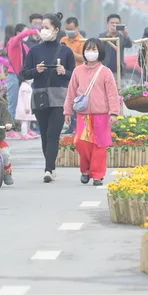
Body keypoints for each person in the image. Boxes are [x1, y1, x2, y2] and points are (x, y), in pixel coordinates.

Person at [22, 13, 76, 183]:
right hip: (40, 96)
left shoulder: (66, 51)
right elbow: (24, 73)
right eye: (42, 27)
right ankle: (50, 165)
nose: (43, 30)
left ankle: (49, 169)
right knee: (44, 134)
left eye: (47, 27)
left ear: (56, 29)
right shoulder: (34, 50)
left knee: (53, 133)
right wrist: (35, 70)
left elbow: (74, 74)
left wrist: (64, 72)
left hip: (59, 97)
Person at [64, 38, 120, 187]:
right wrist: (67, 111)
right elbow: (71, 92)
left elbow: (112, 94)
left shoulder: (105, 72)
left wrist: (114, 112)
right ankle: (86, 170)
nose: (90, 53)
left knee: (99, 146)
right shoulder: (78, 71)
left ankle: (97, 175)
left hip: (101, 115)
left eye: (94, 50)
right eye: (88, 49)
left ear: (99, 52)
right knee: (81, 143)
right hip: (83, 115)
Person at [60, 16, 87, 134]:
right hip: (64, 73)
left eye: (71, 29)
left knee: (78, 100)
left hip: (78, 74)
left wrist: (70, 52)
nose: (69, 31)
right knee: (68, 99)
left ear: (77, 28)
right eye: (67, 29)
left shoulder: (82, 41)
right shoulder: (63, 40)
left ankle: (78, 126)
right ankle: (70, 125)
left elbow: (84, 58)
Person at [6, 23, 38, 121]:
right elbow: (20, 37)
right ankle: (9, 128)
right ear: (18, 33)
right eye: (25, 33)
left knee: (25, 102)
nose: (27, 36)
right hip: (14, 75)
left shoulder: (24, 47)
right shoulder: (13, 42)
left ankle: (25, 128)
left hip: (23, 76)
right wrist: (33, 31)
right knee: (13, 102)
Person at [99, 14, 133, 78]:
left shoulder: (121, 36)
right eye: (112, 23)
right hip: (104, 69)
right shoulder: (102, 35)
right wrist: (108, 35)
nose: (114, 25)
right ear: (107, 24)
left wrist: (126, 35)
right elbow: (98, 47)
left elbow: (129, 45)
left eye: (117, 23)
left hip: (118, 70)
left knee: (118, 87)